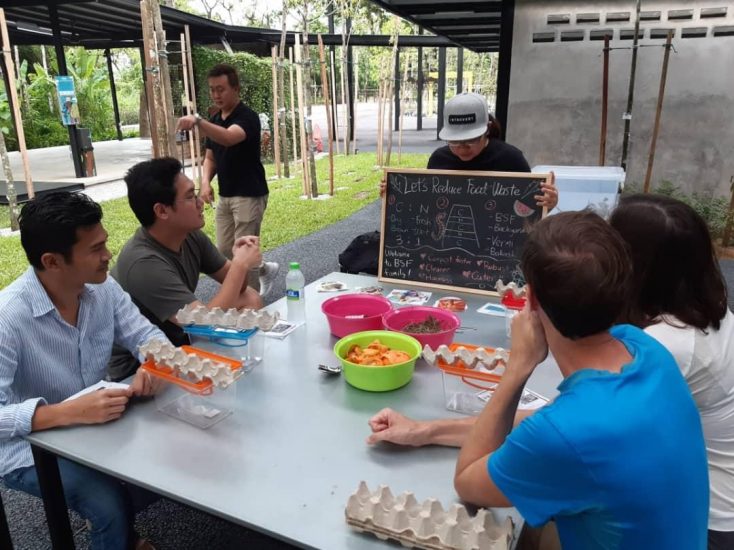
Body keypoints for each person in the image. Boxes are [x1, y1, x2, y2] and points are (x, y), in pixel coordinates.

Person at [372, 210, 709, 549]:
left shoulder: (567, 433)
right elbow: (542, 426)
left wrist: (518, 365)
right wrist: (425, 430)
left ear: (530, 299)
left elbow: (468, 481)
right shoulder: (645, 349)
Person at [0, 192, 164, 550]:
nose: (108, 255)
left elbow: (148, 335)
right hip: (23, 447)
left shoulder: (102, 288)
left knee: (162, 471)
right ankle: (117, 530)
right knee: (107, 505)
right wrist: (62, 413)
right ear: (52, 261)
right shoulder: (8, 318)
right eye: (96, 249)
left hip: (92, 424)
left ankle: (123, 536)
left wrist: (152, 364)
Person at [609, 194, 734, 550]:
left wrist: (446, 429)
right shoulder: (707, 308)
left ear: (632, 263)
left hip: (707, 521)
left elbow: (579, 426)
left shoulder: (667, 344)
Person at [108, 157, 264, 381]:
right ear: (162, 211)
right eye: (190, 197)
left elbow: (239, 288)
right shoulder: (142, 263)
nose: (201, 201)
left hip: (181, 339)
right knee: (233, 307)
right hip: (141, 368)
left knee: (249, 297)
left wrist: (241, 261)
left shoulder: (188, 235)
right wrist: (240, 264)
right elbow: (202, 323)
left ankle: (241, 371)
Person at [176, 63, 278, 294]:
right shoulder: (215, 120)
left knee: (243, 252)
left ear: (235, 89)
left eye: (221, 89)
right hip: (226, 193)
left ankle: (250, 306)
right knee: (224, 249)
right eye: (212, 89)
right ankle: (264, 269)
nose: (216, 94)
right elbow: (210, 156)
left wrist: (199, 122)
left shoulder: (248, 117)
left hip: (250, 193)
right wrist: (204, 183)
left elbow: (230, 138)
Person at [380, 93, 558, 210]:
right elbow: (427, 207)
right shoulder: (439, 159)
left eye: (470, 140)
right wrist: (395, 194)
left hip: (499, 248)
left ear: (487, 130)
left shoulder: (510, 159)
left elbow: (530, 210)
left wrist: (549, 204)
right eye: (454, 142)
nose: (461, 148)